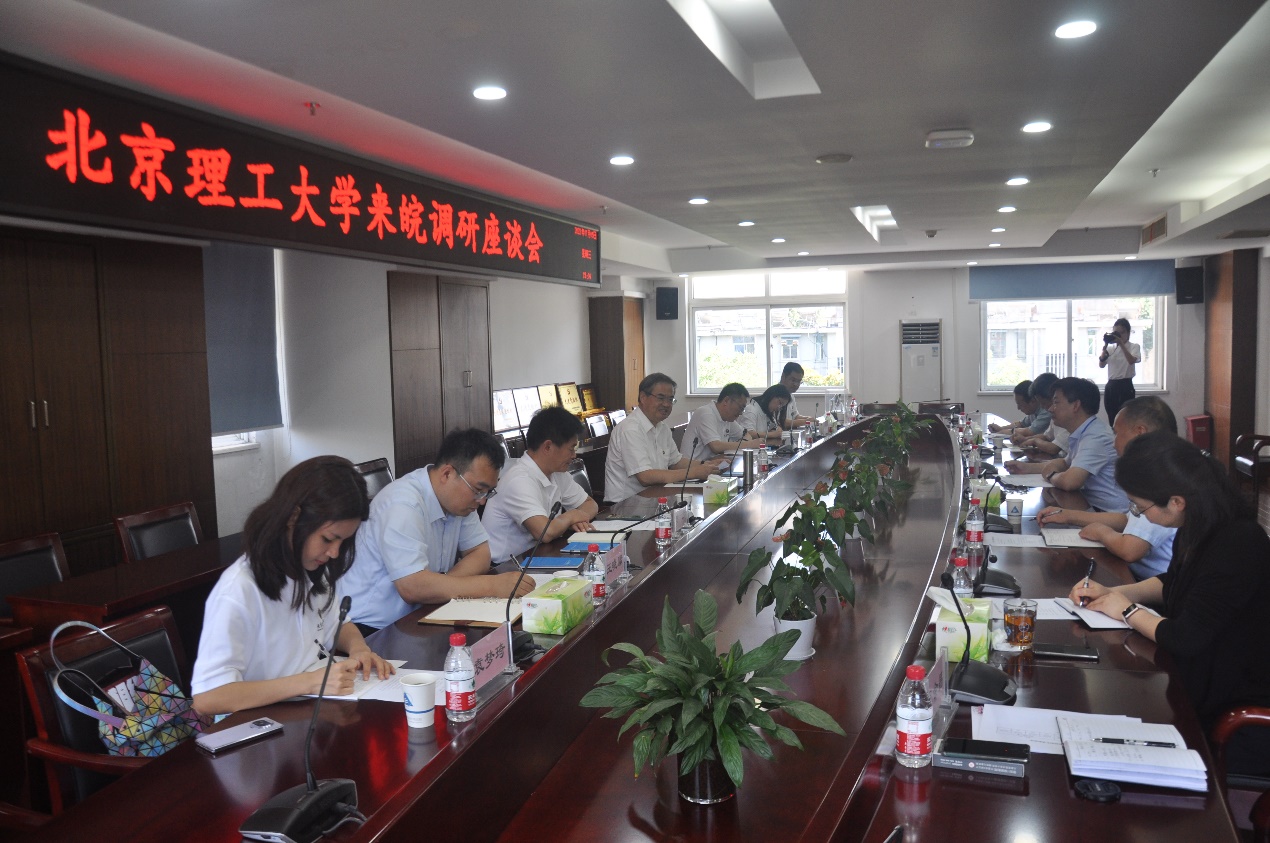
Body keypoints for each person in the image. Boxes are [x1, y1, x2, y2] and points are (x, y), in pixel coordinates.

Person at [1069, 432, 1270, 776]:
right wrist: (1114, 593)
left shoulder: (1238, 543)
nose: (1139, 515)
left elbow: (1186, 637)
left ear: (1176, 501)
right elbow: (1174, 582)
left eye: (1140, 506)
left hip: (1235, 710)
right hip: (1197, 681)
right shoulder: (1200, 525)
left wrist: (1127, 611)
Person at [191, 456, 394, 714]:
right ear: (293, 518)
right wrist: (309, 682)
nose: (334, 552)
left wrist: (358, 649)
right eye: (328, 539)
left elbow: (336, 625)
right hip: (257, 723)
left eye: (342, 542)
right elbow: (208, 698)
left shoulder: (310, 567)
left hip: (305, 708)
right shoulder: (239, 590)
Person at [343, 428, 533, 632]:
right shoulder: (403, 504)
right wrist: (491, 586)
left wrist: (439, 586)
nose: (482, 500)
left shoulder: (462, 501)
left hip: (424, 611)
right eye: (478, 490)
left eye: (487, 492)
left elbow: (480, 554)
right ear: (447, 473)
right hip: (372, 628)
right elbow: (412, 587)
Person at [1037, 396, 1177, 578]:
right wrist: (1068, 515)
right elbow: (1127, 519)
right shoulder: (1151, 468)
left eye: (1117, 434)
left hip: (1156, 582)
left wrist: (1102, 532)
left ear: (1140, 432)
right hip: (1138, 574)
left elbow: (1130, 550)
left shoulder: (1161, 477)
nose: (1113, 442)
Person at [482, 406, 599, 562]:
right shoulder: (519, 480)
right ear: (548, 447)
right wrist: (571, 517)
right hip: (505, 565)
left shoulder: (556, 472)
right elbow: (545, 532)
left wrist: (577, 519)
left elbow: (590, 504)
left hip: (538, 554)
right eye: (571, 448)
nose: (574, 455)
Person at [1005, 377, 1128, 513]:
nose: (1050, 409)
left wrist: (1051, 475)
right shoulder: (1083, 430)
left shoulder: (1096, 436)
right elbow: (1065, 463)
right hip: (1091, 504)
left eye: (1056, 402)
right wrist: (1026, 468)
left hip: (1109, 513)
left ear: (1075, 405)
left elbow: (1070, 481)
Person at [604, 373, 729, 503]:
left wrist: (707, 465)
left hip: (654, 497)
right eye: (661, 398)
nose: (666, 404)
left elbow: (676, 462)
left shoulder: (662, 427)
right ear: (643, 397)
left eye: (670, 399)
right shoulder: (630, 429)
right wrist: (695, 472)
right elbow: (645, 477)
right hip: (625, 505)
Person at [682, 383, 765, 461]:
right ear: (726, 401)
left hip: (713, 464)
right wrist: (750, 444)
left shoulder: (727, 418)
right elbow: (716, 447)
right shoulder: (705, 413)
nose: (741, 413)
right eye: (741, 407)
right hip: (693, 467)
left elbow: (746, 435)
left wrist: (746, 443)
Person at [1011, 373, 1067, 458]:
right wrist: (1025, 439)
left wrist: (1034, 441)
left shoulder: (1067, 419)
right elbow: (1046, 436)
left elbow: (1054, 448)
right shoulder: (1054, 415)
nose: (1044, 408)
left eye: (1043, 403)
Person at [1098, 317, 1141, 425]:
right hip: (1111, 386)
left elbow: (1131, 360)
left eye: (1122, 332)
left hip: (1125, 385)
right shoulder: (1110, 349)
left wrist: (1121, 344)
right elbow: (1101, 365)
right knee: (1112, 419)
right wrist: (1106, 345)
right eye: (1116, 333)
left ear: (1128, 333)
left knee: (1126, 418)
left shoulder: (1134, 347)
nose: (1119, 335)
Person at [777, 363, 814, 429]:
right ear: (783, 377)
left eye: (799, 381)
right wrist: (805, 421)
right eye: (793, 380)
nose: (796, 384)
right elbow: (780, 421)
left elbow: (795, 416)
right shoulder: (774, 395)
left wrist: (809, 418)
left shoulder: (790, 395)